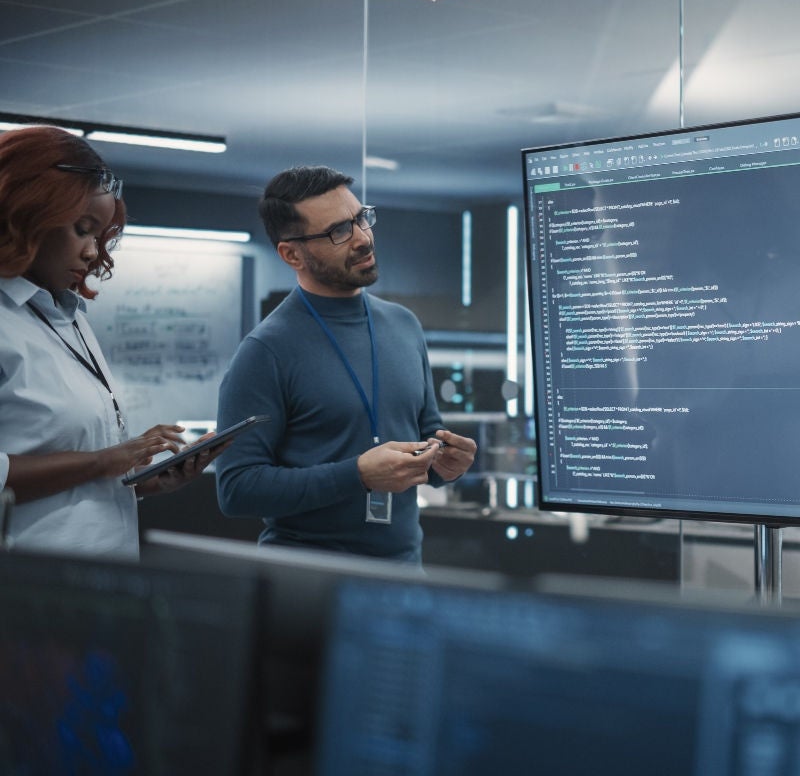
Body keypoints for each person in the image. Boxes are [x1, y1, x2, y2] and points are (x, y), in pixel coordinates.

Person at [216, 165, 477, 563]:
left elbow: (426, 438)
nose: (362, 238)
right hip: (307, 582)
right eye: (339, 231)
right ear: (291, 254)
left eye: (361, 218)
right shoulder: (265, 350)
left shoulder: (404, 325)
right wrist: (356, 474)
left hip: (403, 573)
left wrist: (447, 464)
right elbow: (236, 488)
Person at [0, 125, 224, 559]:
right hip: (26, 588)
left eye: (100, 236)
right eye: (82, 230)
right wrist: (106, 461)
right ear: (24, 215)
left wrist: (141, 478)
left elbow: (73, 475)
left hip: (99, 580)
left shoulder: (69, 318)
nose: (91, 252)